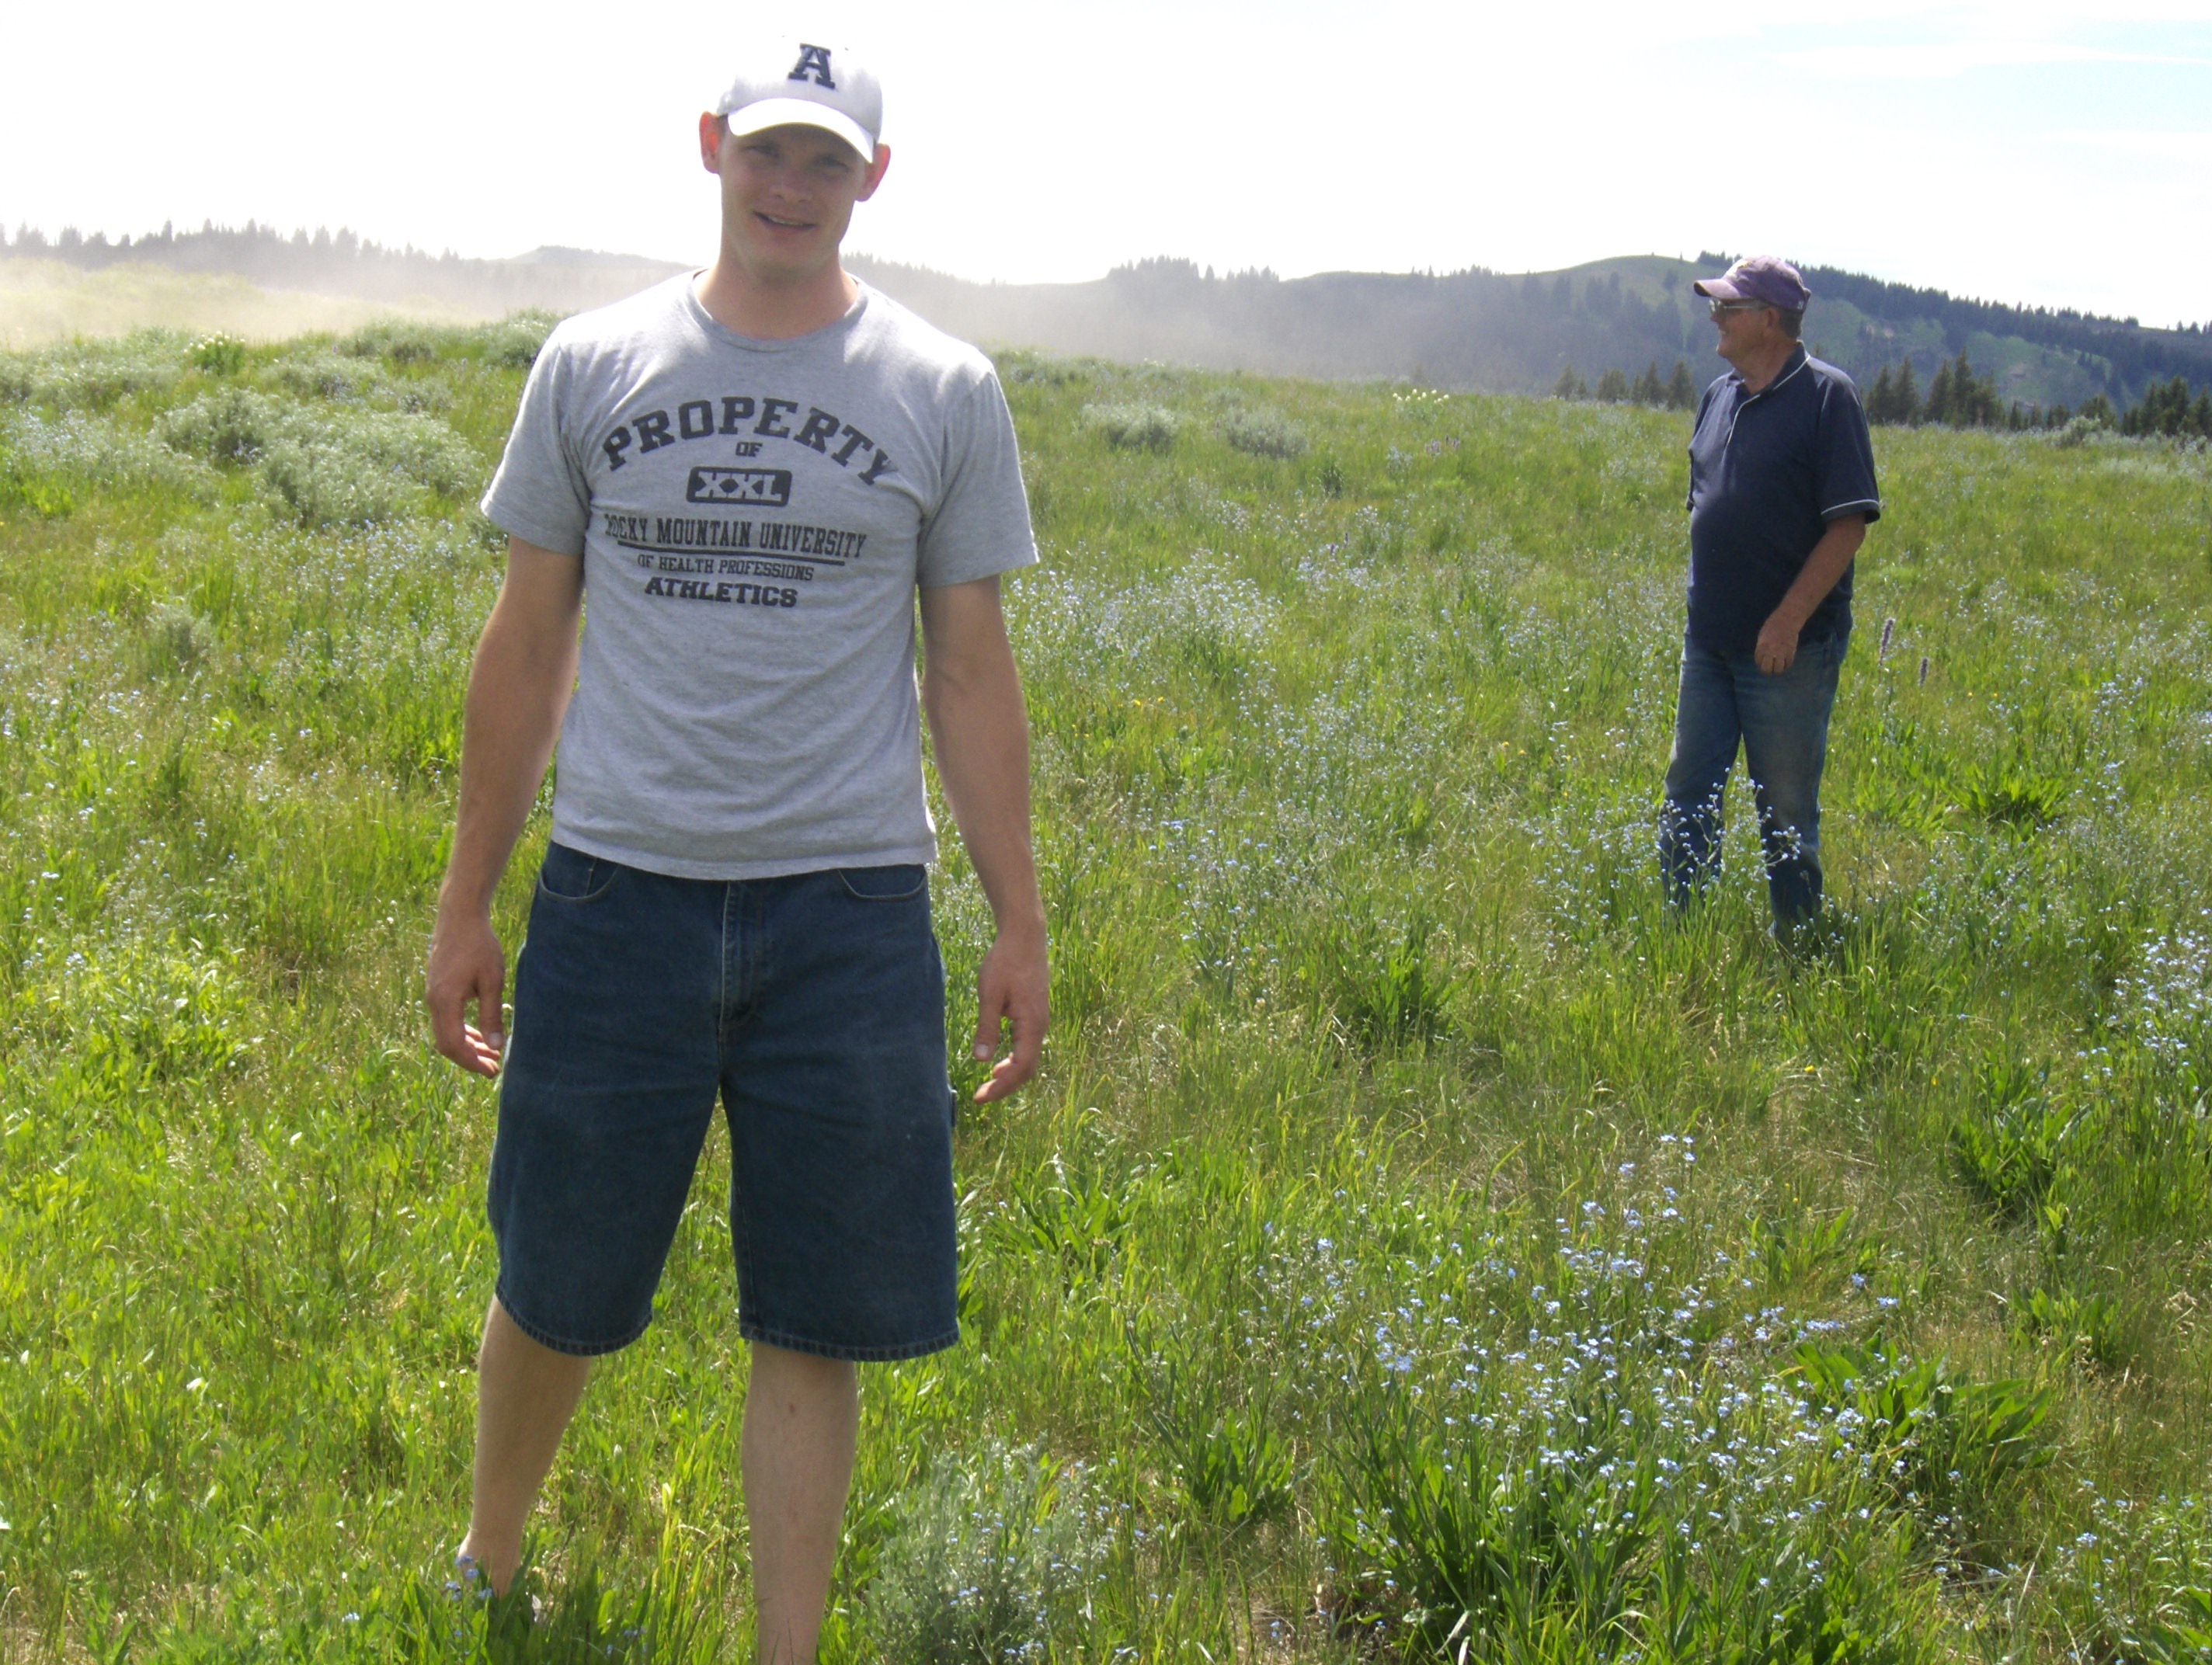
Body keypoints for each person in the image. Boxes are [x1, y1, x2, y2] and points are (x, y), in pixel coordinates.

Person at [422, 36, 1049, 1663]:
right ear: (711, 146)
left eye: (825, 161)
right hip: (616, 888)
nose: (791, 187)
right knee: (553, 1271)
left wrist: (1016, 917)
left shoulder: (940, 389)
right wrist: (466, 898)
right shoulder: (592, 364)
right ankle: (486, 1561)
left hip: (848, 909)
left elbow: (968, 667)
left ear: (871, 180)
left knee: (814, 1310)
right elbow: (526, 642)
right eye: (767, 151)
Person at [1657, 255, 1882, 931]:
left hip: (1788, 649)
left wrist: (1786, 620)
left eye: (1727, 307)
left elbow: (1848, 526)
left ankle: (1799, 939)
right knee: (1688, 793)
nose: (1715, 318)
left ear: (1768, 320)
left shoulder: (1827, 399)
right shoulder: (1719, 395)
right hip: (1710, 642)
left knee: (1784, 808)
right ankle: (1685, 931)